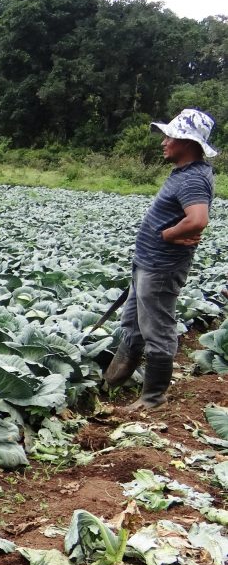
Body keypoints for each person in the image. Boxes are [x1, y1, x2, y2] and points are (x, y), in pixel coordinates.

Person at [103, 108, 217, 409]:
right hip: (149, 263)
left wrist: (167, 235)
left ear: (188, 143)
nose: (163, 141)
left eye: (170, 136)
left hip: (162, 268)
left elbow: (198, 219)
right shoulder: (184, 174)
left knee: (157, 329)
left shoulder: (192, 179)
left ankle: (153, 397)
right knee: (132, 323)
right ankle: (112, 383)